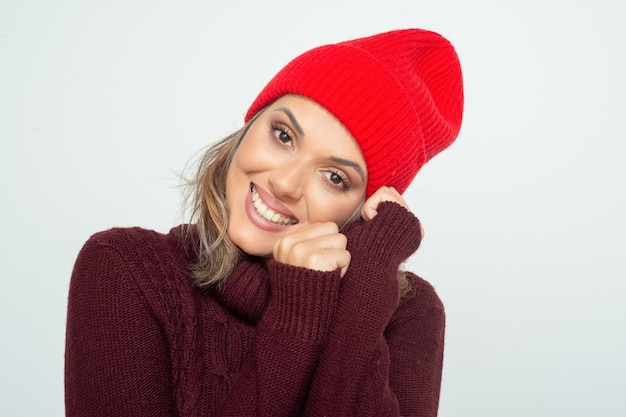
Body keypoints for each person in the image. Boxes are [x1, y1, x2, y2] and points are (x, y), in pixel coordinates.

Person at [64, 28, 463, 417]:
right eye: (284, 136)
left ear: (364, 207)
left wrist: (365, 287)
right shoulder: (126, 270)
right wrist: (297, 319)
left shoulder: (410, 313)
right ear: (249, 127)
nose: (285, 183)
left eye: (334, 177)